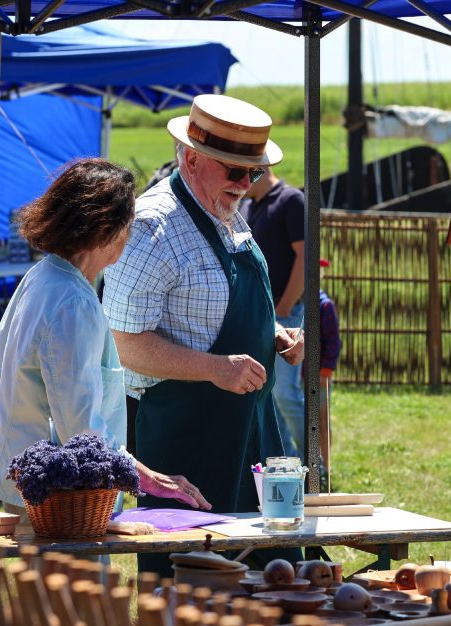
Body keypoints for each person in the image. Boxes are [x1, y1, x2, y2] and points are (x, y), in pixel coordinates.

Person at [102, 95, 304, 576]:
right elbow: (123, 344)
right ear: (190, 158)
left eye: (252, 173)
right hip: (185, 440)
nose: (243, 184)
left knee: (272, 576)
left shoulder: (226, 211)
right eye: (233, 171)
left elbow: (213, 309)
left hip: (251, 429)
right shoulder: (152, 227)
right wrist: (216, 369)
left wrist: (274, 334)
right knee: (192, 585)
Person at [0, 158, 210, 518]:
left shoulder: (44, 276)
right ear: (107, 230)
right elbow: (79, 424)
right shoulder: (71, 302)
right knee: (73, 577)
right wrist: (145, 477)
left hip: (34, 480)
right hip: (59, 498)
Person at [241, 169, 306, 457]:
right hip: (262, 315)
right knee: (268, 395)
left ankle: (312, 460)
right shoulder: (247, 206)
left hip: (284, 312)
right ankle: (286, 463)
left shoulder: (290, 200)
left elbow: (306, 258)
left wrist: (283, 308)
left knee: (285, 395)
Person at [318, 259, 342, 483]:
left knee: (322, 420)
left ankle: (325, 465)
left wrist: (326, 370)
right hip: (300, 375)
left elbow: (333, 342)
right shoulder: (302, 304)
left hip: (319, 376)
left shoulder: (325, 306)